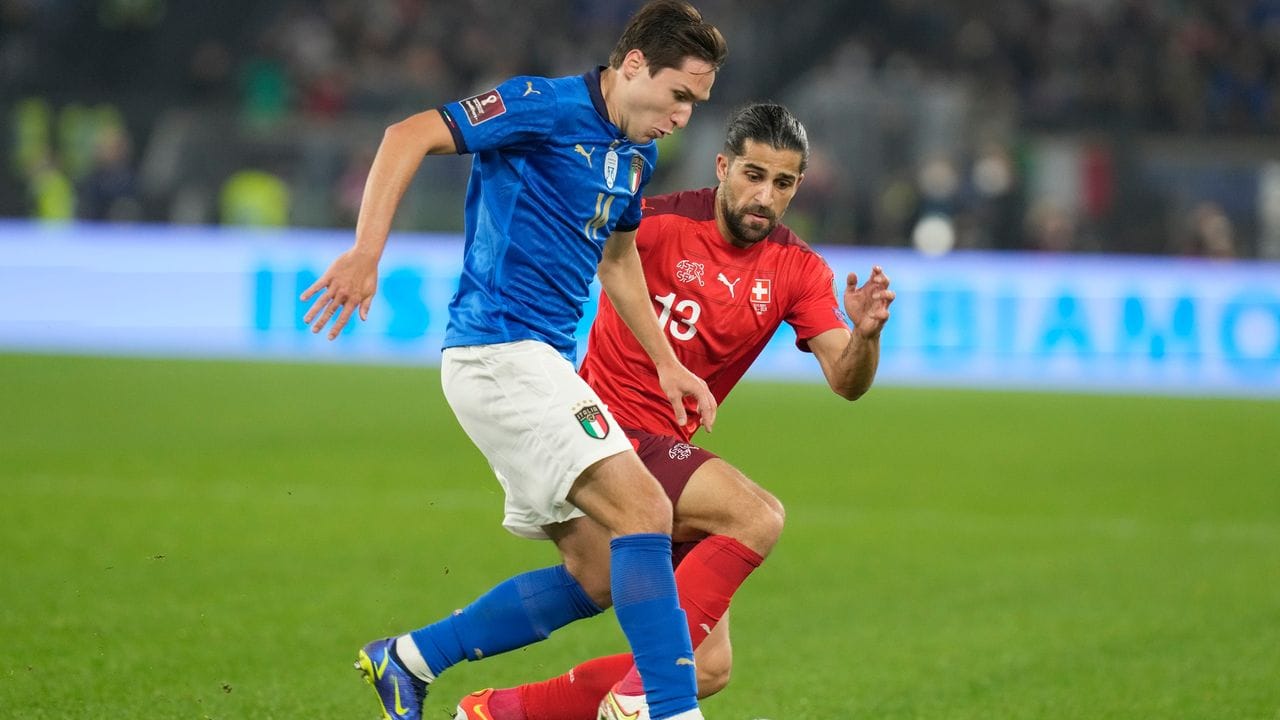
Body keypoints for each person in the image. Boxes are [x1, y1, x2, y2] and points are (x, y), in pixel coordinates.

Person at [299, 3, 727, 720]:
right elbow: (406, 135)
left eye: (697, 103)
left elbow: (618, 264)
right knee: (647, 510)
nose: (684, 115)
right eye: (679, 94)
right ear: (632, 67)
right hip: (498, 350)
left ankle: (407, 661)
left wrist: (666, 365)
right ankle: (673, 710)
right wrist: (367, 251)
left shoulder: (636, 154)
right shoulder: (538, 104)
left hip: (544, 365)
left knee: (595, 573)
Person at [450, 102, 895, 720]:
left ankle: (499, 711)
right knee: (757, 515)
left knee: (707, 668)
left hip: (670, 450)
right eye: (752, 175)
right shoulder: (652, 223)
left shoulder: (798, 269)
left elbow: (847, 382)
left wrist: (866, 334)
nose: (764, 195)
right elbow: (587, 258)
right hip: (606, 429)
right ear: (722, 166)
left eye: (783, 183)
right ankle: (641, 700)